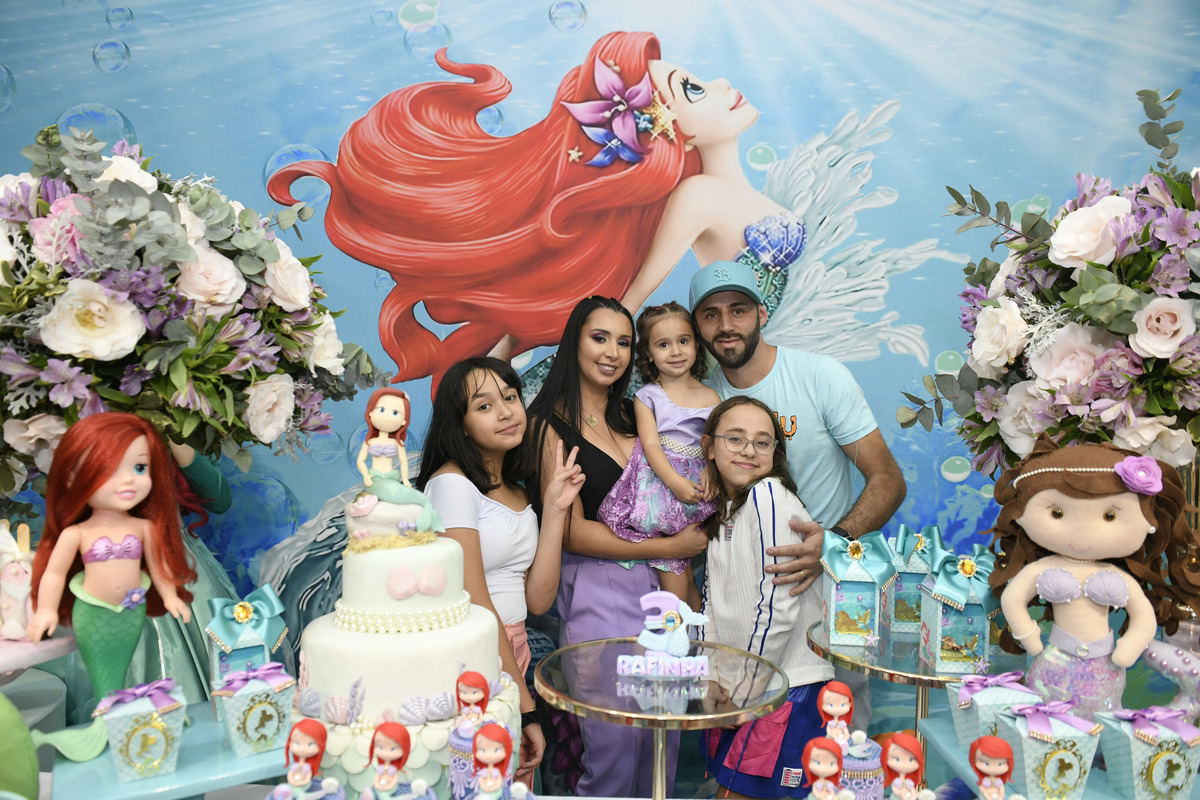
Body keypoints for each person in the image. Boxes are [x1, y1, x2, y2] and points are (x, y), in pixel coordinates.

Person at [266, 32, 919, 389]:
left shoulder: (752, 194)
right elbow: (632, 296)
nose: (723, 85)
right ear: (677, 131)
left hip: (782, 369)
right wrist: (538, 359)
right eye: (694, 89)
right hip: (740, 382)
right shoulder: (697, 197)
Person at [689, 259, 908, 730]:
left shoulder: (820, 375)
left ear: (762, 313)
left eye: (738, 309)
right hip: (749, 603)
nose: (725, 325)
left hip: (828, 595)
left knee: (839, 737)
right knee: (747, 735)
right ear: (697, 327)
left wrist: (832, 541)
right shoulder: (702, 401)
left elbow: (888, 479)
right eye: (710, 314)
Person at [527, 296, 707, 797]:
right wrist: (667, 546)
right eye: (599, 338)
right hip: (596, 590)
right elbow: (570, 531)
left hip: (666, 592)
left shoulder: (636, 412)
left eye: (624, 342)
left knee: (661, 747)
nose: (612, 352)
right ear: (574, 342)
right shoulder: (546, 425)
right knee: (615, 751)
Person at [419, 356, 584, 784]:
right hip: (473, 654)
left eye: (510, 397)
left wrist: (555, 510)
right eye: (484, 405)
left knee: (512, 778)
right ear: (460, 424)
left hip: (513, 646)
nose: (507, 411)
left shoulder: (518, 491)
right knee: (480, 780)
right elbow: (474, 600)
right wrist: (526, 706)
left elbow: (538, 601)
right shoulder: (452, 484)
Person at [992, 437, 1200, 719]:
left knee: (1103, 720)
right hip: (1054, 663)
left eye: (1110, 515)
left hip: (1105, 670)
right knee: (1046, 720)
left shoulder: (1118, 576)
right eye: (1057, 513)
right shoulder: (1043, 568)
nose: (1084, 531)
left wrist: (1129, 647)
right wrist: (1029, 636)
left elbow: (1144, 618)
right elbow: (1013, 598)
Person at [697, 396, 834, 799]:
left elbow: (776, 607)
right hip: (742, 687)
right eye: (735, 438)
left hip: (784, 687)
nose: (748, 451)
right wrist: (709, 678)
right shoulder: (725, 509)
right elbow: (711, 603)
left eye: (762, 442)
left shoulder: (768, 495)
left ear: (775, 453)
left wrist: (743, 694)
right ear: (709, 446)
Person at [597, 301, 718, 602]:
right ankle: (675, 625)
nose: (675, 351)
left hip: (702, 487)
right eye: (663, 344)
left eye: (683, 341)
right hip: (664, 488)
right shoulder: (647, 396)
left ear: (696, 344)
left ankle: (695, 625)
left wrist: (711, 470)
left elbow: (716, 443)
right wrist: (675, 483)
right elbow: (650, 444)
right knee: (673, 569)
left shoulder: (712, 396)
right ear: (649, 353)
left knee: (689, 574)